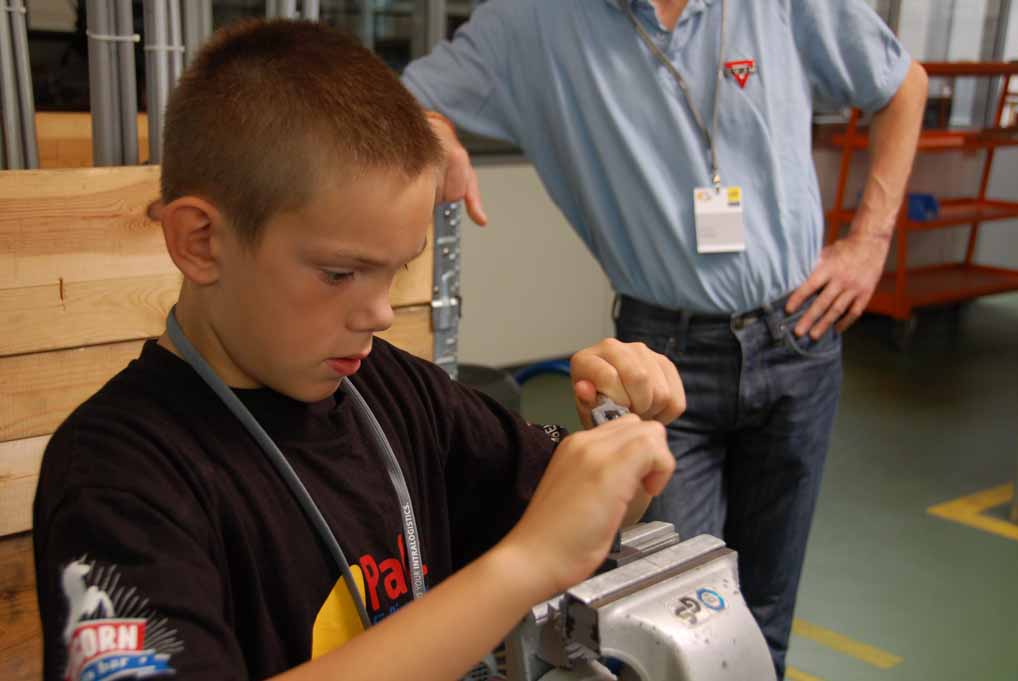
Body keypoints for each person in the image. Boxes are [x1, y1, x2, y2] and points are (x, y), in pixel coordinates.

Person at [32, 19, 686, 681]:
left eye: (396, 270)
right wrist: (525, 565)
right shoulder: (117, 474)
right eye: (340, 273)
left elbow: (580, 517)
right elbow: (544, 549)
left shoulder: (396, 393)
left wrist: (618, 441)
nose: (379, 313)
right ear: (201, 242)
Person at [401, 0, 928, 676]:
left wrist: (871, 240)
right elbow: (400, 101)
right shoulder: (532, 21)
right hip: (660, 360)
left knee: (765, 617)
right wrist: (436, 131)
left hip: (800, 334)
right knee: (665, 617)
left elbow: (902, 83)